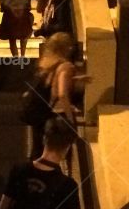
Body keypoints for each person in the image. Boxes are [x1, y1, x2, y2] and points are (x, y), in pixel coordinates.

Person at [23, 31, 84, 159]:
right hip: (53, 112)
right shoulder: (66, 66)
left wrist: (76, 79)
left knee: (37, 148)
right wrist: (70, 118)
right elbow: (62, 94)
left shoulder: (45, 62)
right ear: (68, 48)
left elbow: (52, 83)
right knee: (54, 151)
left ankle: (33, 172)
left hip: (38, 110)